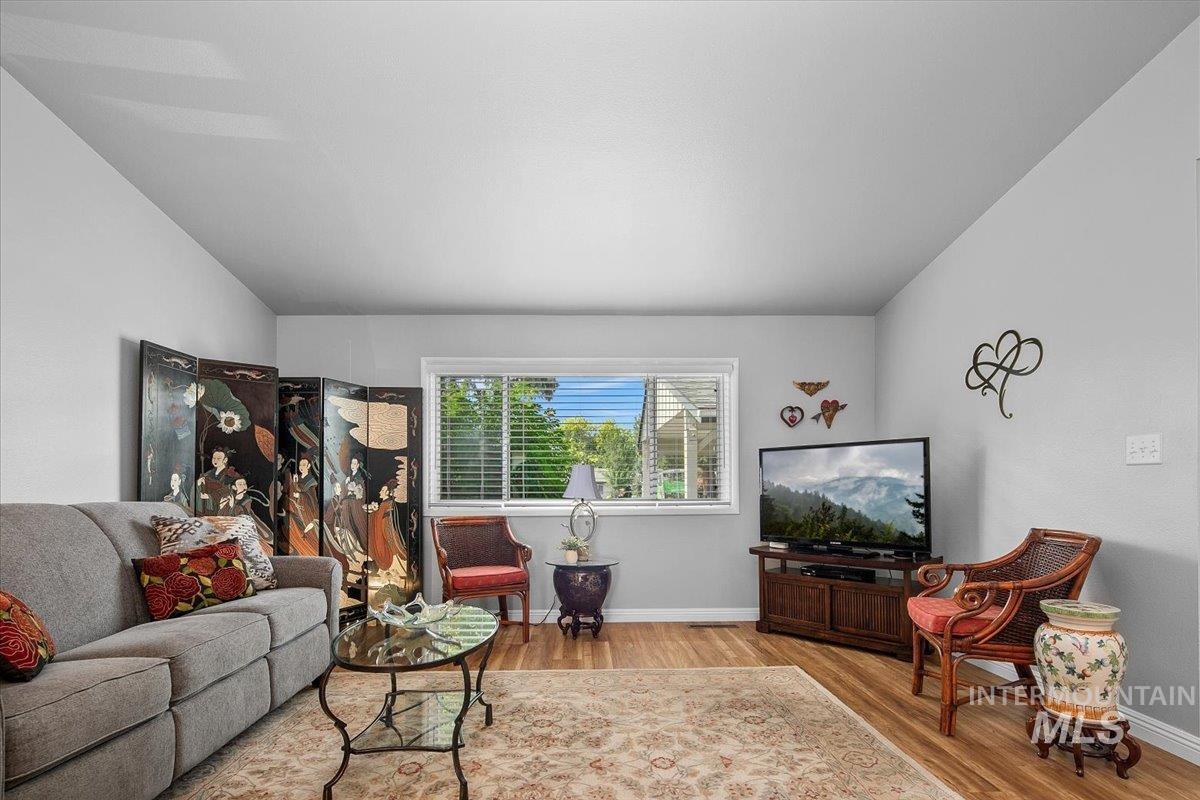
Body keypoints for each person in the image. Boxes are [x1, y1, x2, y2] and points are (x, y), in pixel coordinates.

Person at [196, 447, 240, 514]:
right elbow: (200, 490)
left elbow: (228, 492)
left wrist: (209, 496)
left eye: (218, 459)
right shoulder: (207, 474)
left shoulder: (231, 474)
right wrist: (198, 484)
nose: (215, 461)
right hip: (206, 507)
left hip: (222, 508)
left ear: (225, 460)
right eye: (214, 458)